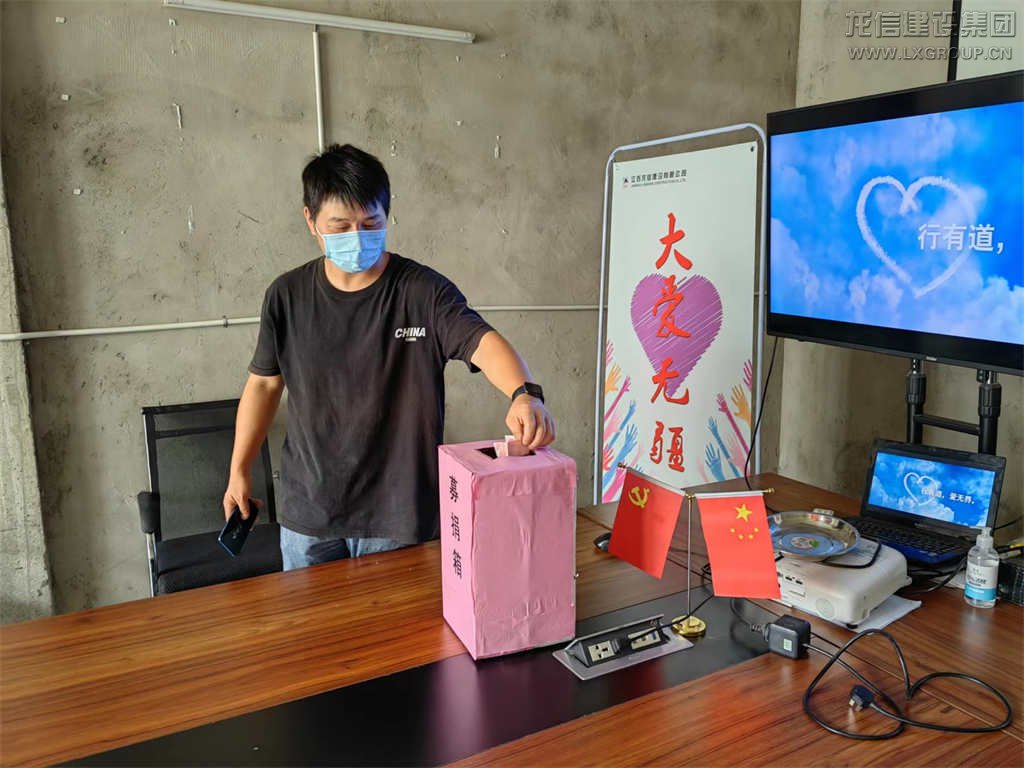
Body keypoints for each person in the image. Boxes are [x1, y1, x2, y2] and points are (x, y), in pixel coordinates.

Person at [222, 144, 556, 571]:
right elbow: (264, 384)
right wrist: (239, 469)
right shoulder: (286, 296)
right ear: (311, 220)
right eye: (340, 226)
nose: (356, 237)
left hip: (398, 516)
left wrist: (524, 394)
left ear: (387, 216)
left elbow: (482, 342)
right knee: (308, 617)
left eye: (370, 224)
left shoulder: (423, 292)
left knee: (398, 617)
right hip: (310, 512)